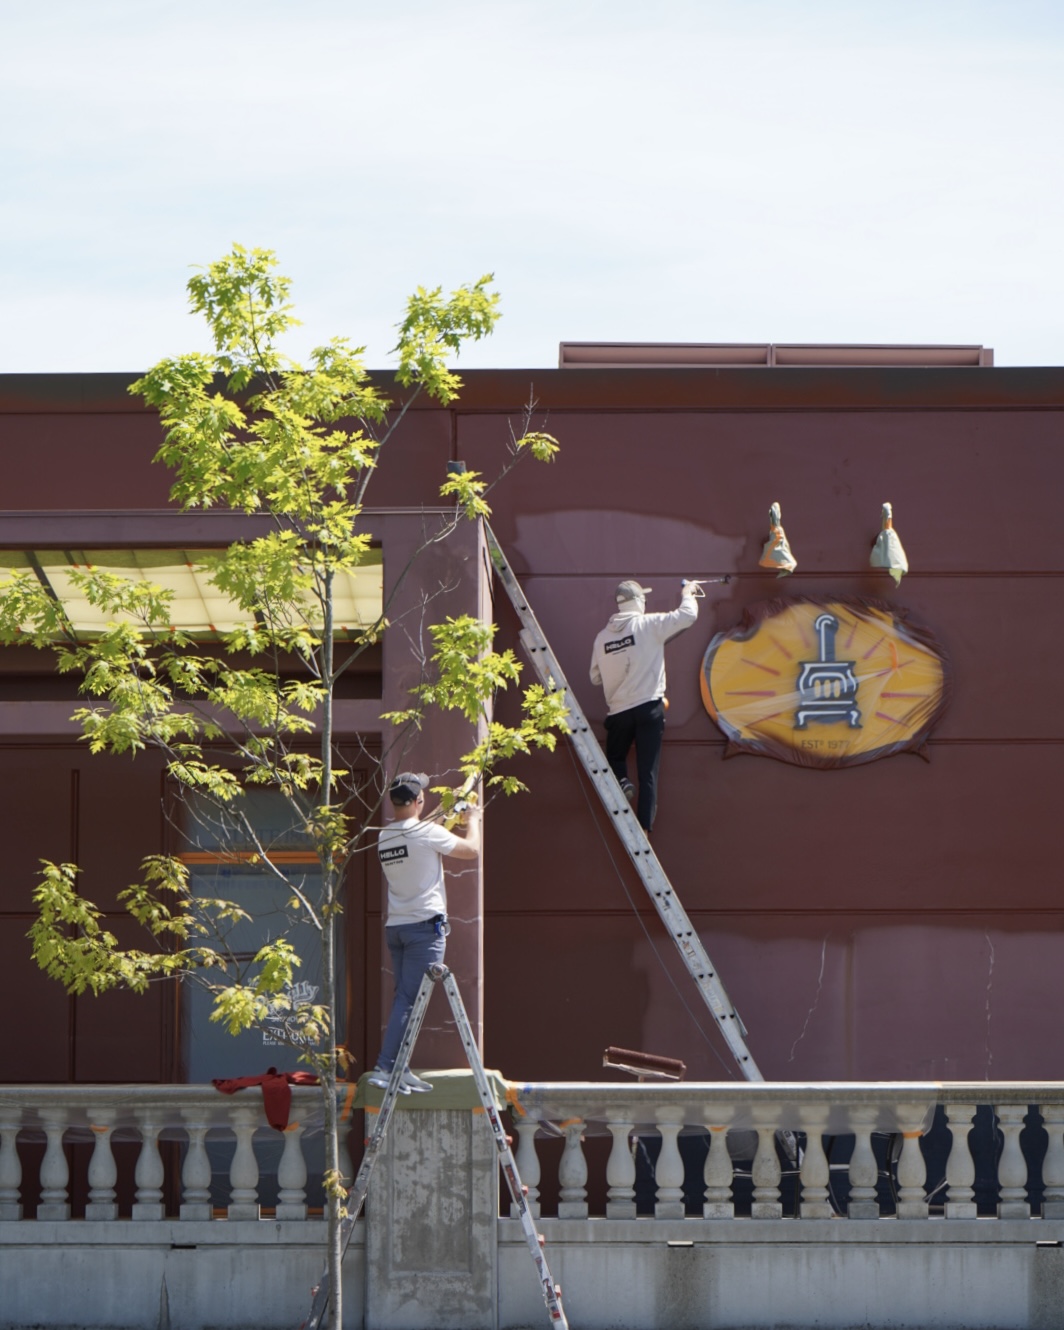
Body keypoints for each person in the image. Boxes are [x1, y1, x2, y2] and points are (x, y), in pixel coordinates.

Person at [368, 771, 481, 1094]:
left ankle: (399, 1067)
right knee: (410, 1001)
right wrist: (473, 818)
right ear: (419, 801)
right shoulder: (425, 832)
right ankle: (386, 1068)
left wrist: (450, 810)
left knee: (404, 998)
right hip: (424, 931)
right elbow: (471, 850)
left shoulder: (385, 834)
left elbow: (422, 828)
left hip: (398, 927)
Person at [590, 578, 699, 833]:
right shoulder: (649, 625)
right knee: (647, 771)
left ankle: (622, 782)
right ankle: (645, 828)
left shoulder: (601, 638)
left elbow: (595, 678)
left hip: (618, 713)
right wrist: (688, 592)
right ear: (639, 602)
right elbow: (688, 615)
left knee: (615, 757)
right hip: (649, 708)